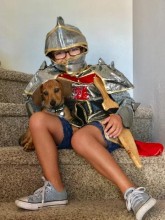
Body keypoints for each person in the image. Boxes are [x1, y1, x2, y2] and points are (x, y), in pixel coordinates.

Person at [15, 17, 156, 220]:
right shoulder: (49, 77)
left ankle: (133, 193)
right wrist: (35, 131)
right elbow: (33, 102)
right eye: (60, 52)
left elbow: (127, 102)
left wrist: (118, 118)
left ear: (83, 48)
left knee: (81, 139)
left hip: (100, 128)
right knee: (37, 120)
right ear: (52, 56)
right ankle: (55, 189)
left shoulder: (101, 72)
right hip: (69, 127)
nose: (68, 57)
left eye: (73, 50)